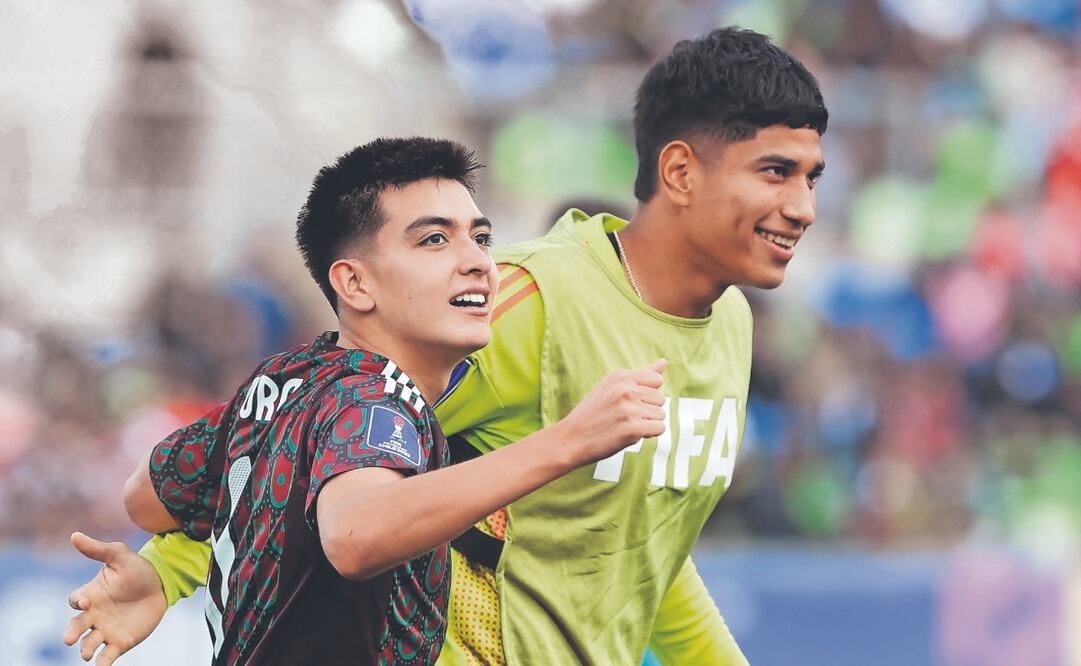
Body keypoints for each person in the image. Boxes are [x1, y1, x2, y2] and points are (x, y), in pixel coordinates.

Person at [66, 26, 827, 665]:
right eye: (775, 173)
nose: (802, 208)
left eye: (812, 178)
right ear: (680, 171)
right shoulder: (529, 307)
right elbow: (314, 444)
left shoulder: (728, 325)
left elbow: (646, 547)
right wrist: (171, 571)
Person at [62, 136, 668, 665]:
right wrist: (570, 440)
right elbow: (355, 536)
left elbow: (145, 497)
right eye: (434, 240)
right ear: (354, 282)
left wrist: (161, 575)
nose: (479, 263)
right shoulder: (378, 395)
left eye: (481, 238)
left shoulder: (285, 379)